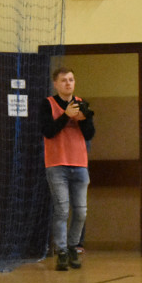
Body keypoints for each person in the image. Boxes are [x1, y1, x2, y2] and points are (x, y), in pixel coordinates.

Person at [41, 67, 95, 271]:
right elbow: (48, 131)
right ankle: (62, 251)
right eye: (64, 80)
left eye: (71, 79)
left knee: (81, 211)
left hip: (79, 164)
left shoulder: (81, 103)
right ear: (56, 84)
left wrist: (83, 120)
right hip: (57, 164)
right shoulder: (47, 104)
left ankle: (73, 247)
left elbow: (89, 134)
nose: (68, 83)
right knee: (62, 209)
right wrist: (65, 116)